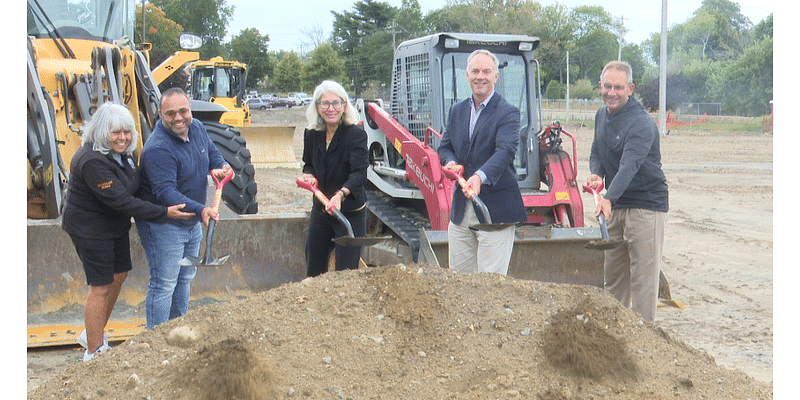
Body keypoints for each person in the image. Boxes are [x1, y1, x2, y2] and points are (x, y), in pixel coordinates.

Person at [61, 102, 194, 361]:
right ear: (101, 132)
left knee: (119, 275)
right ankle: (94, 351)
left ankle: (92, 332)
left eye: (127, 132)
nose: (122, 138)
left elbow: (136, 184)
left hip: (114, 225)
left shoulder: (124, 155)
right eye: (115, 133)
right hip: (90, 229)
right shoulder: (91, 161)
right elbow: (121, 200)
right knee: (99, 286)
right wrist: (164, 212)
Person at [136, 87, 234, 329]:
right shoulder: (158, 148)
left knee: (185, 278)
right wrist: (201, 209)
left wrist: (221, 165)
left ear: (190, 110)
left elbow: (211, 152)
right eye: (170, 113)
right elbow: (166, 193)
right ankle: (156, 340)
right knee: (164, 283)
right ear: (160, 114)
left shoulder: (197, 128)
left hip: (191, 223)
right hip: (164, 225)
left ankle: (177, 330)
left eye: (183, 111)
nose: (178, 118)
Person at [585, 60, 669, 322]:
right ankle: (614, 332)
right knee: (614, 278)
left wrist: (608, 197)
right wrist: (597, 172)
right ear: (600, 86)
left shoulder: (641, 122)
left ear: (630, 88)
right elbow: (597, 151)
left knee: (643, 281)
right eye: (607, 86)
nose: (612, 92)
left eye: (618, 87)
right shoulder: (601, 115)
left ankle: (644, 338)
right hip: (617, 204)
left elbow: (629, 165)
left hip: (646, 206)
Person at [437, 49, 527, 275]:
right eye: (475, 71)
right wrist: (450, 163)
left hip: (496, 209)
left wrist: (479, 177)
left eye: (487, 71)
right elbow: (445, 147)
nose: (480, 76)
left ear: (496, 76)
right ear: (467, 75)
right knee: (459, 280)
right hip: (461, 210)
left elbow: (505, 150)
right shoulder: (457, 111)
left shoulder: (508, 112)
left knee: (490, 284)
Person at [299, 80, 369, 277]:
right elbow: (308, 163)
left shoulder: (355, 134)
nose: (331, 108)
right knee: (314, 267)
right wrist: (309, 175)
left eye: (336, 103)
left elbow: (359, 173)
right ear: (317, 107)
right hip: (321, 210)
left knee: (345, 273)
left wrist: (341, 195)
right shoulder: (311, 134)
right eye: (325, 103)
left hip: (349, 212)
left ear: (344, 106)